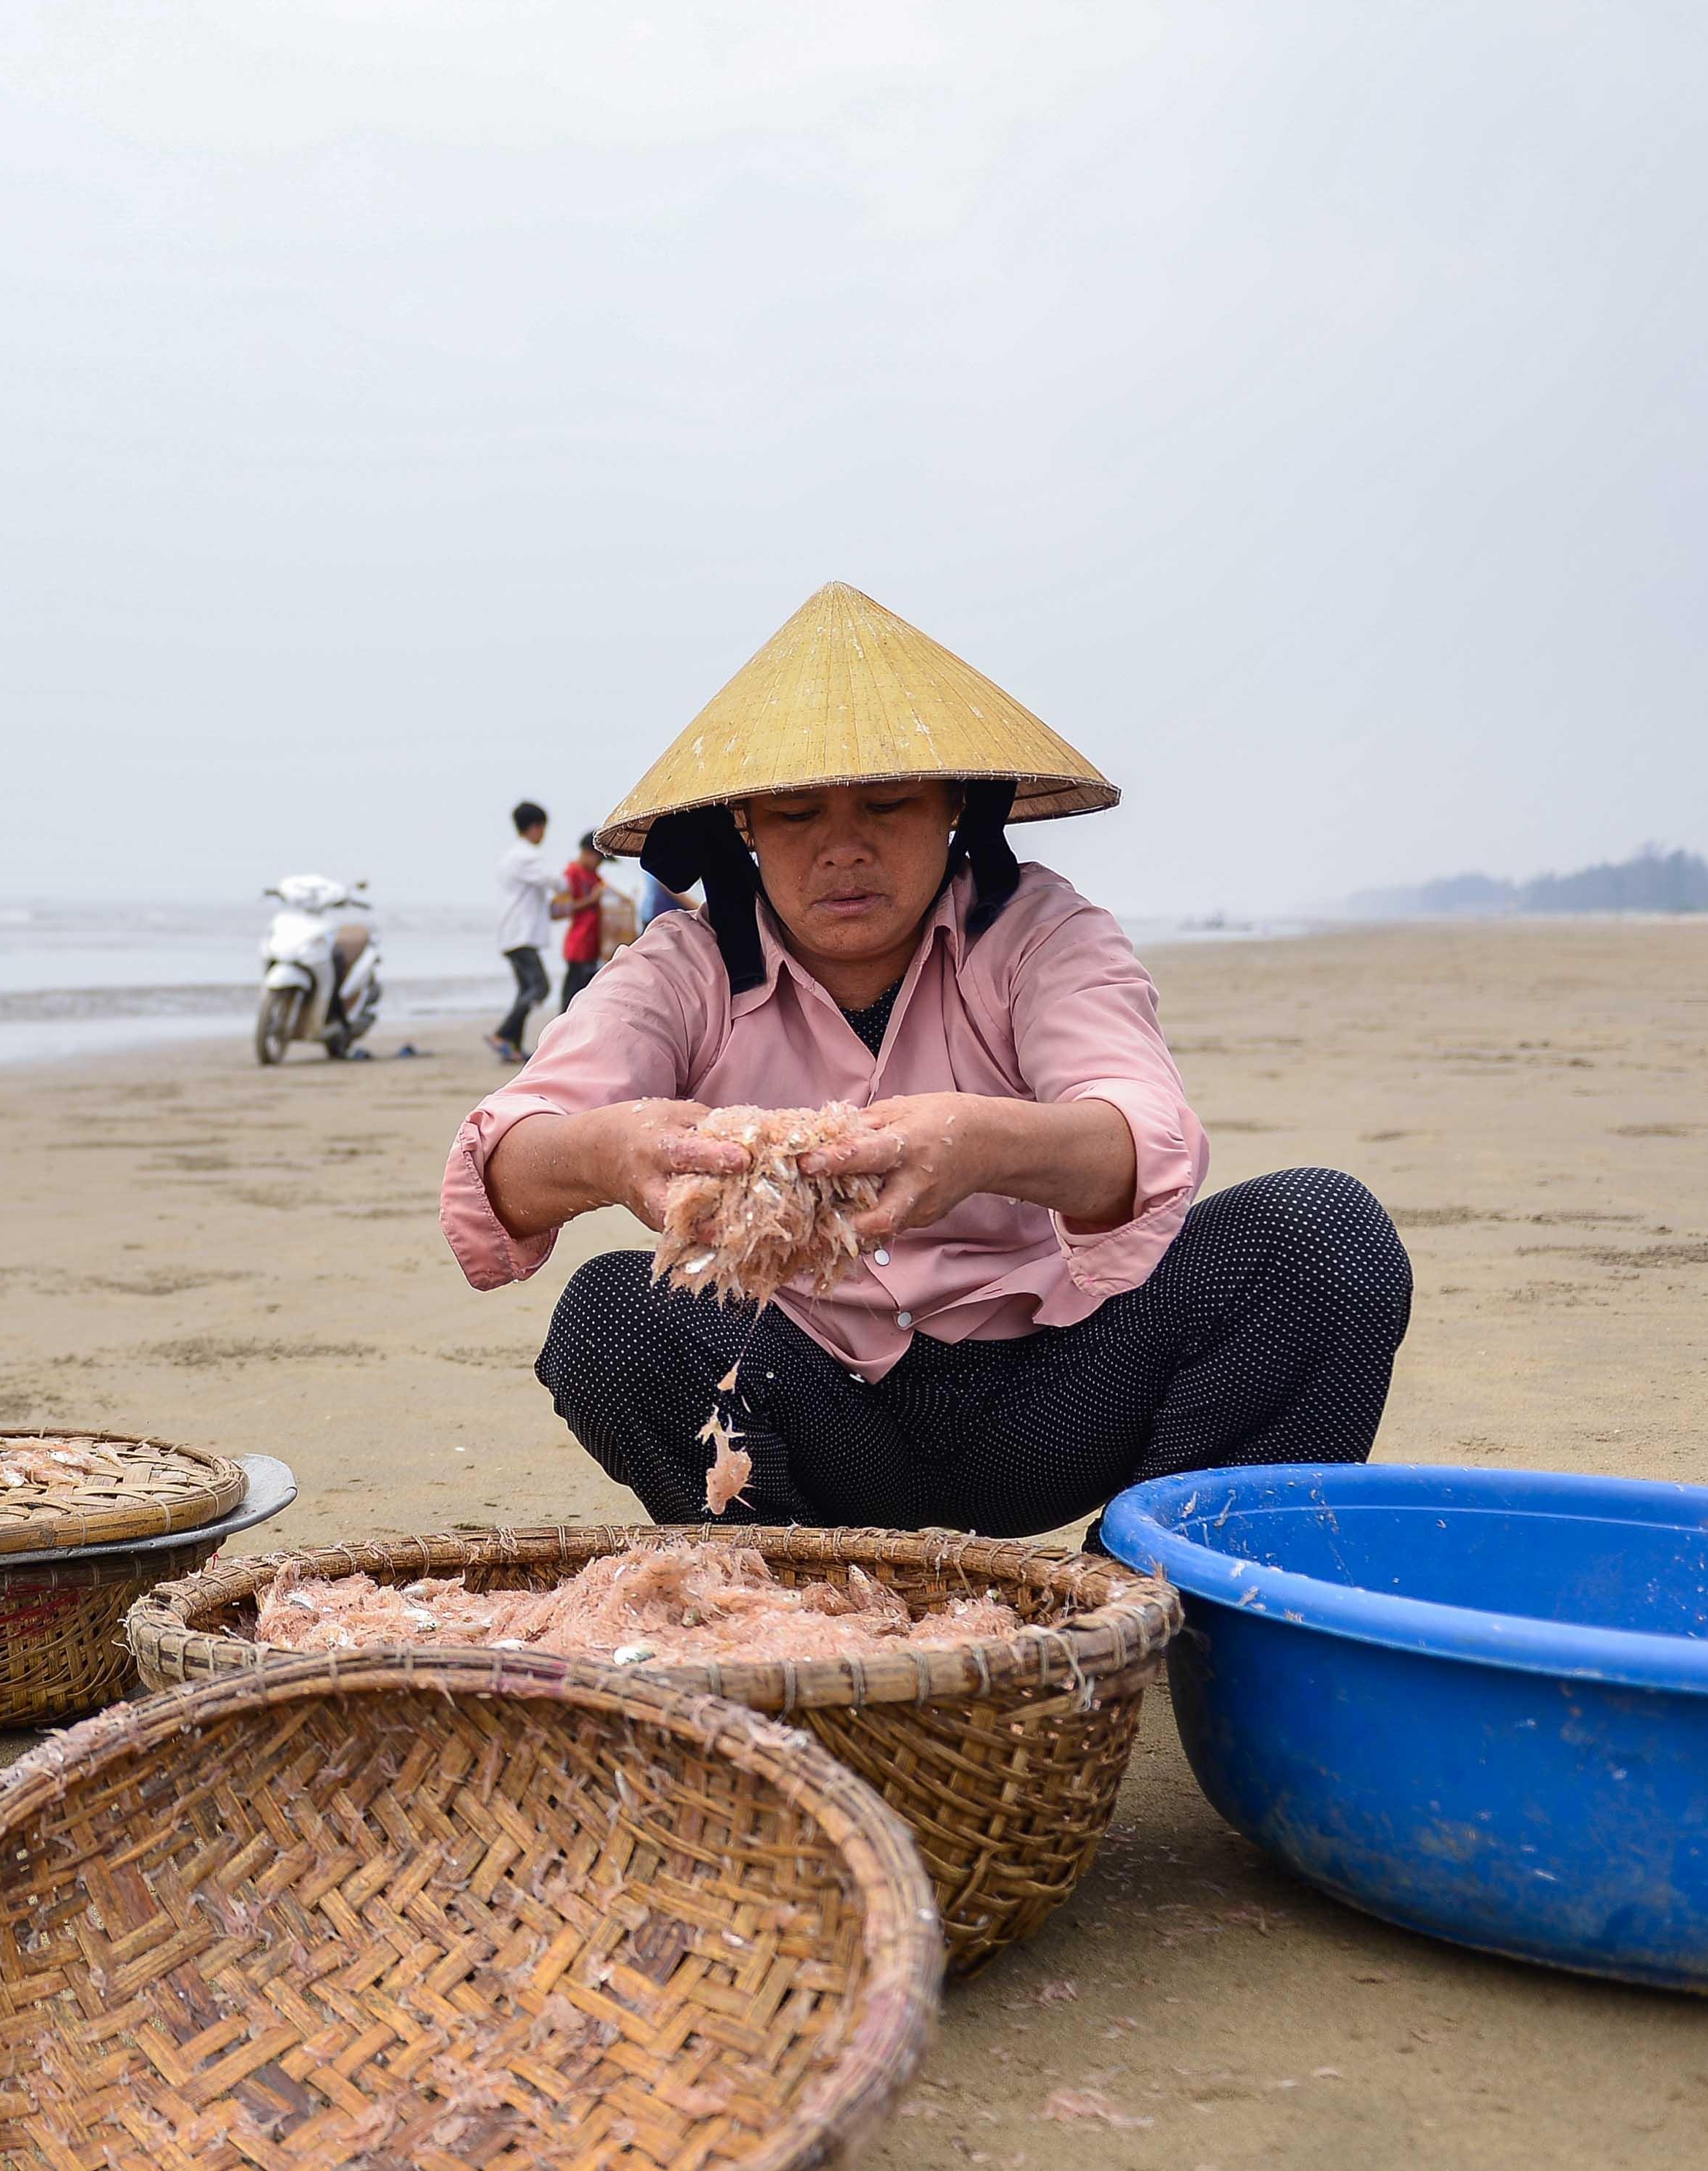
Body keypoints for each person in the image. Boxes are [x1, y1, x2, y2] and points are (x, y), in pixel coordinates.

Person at [439, 583, 1409, 1538]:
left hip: (1057, 1391)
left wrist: (981, 1147)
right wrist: (606, 1154)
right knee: (613, 1316)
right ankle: (805, 1606)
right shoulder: (685, 969)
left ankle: (1153, 1595)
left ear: (953, 806)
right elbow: (505, 1166)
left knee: (1324, 1235)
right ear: (744, 828)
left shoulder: (1039, 933)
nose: (843, 848)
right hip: (807, 1405)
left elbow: (1143, 1131)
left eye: (888, 804)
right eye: (796, 817)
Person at [488, 800, 559, 1062]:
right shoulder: (526, 856)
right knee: (540, 987)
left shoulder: (512, 856)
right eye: (543, 828)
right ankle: (502, 1034)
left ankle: (513, 1047)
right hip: (522, 934)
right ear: (534, 828)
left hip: (513, 933)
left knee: (524, 990)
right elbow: (556, 881)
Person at [554, 832, 610, 1013]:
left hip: (595, 945)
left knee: (589, 997)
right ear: (587, 852)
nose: (599, 864)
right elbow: (557, 911)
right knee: (571, 996)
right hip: (578, 945)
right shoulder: (571, 873)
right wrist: (591, 900)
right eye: (598, 858)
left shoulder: (597, 879)